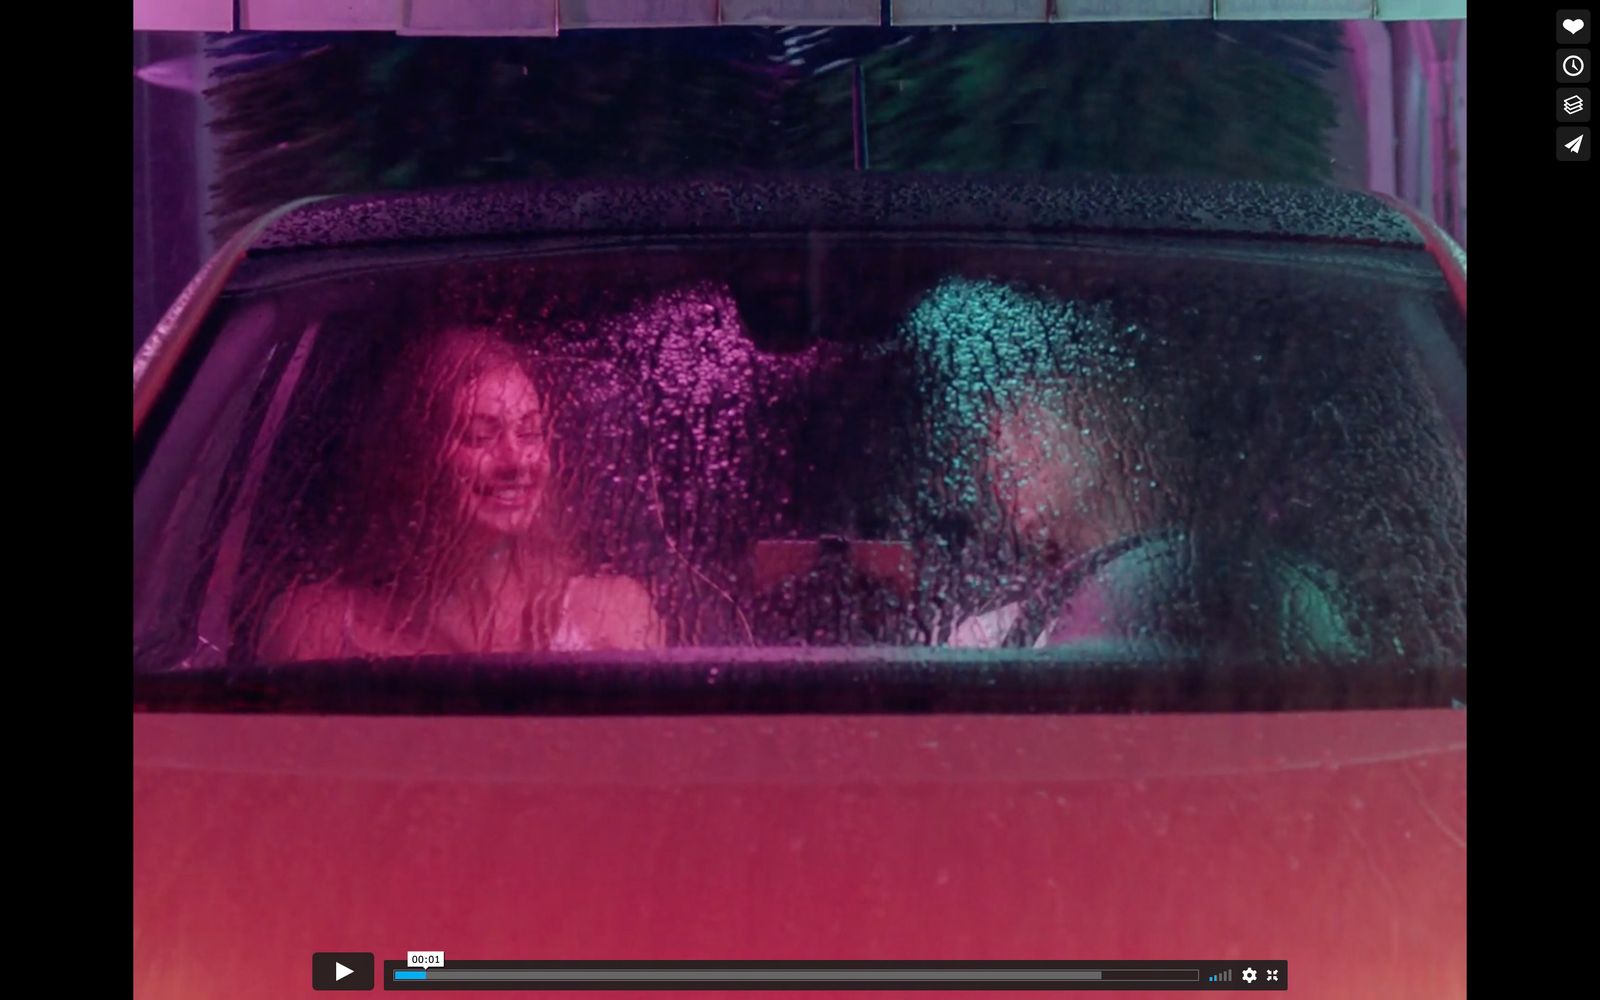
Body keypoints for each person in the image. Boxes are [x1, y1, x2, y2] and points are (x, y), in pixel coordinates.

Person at [257, 327, 664, 660]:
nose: (517, 461)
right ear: (415, 457)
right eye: (479, 435)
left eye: (530, 432)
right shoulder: (316, 629)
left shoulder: (611, 616)